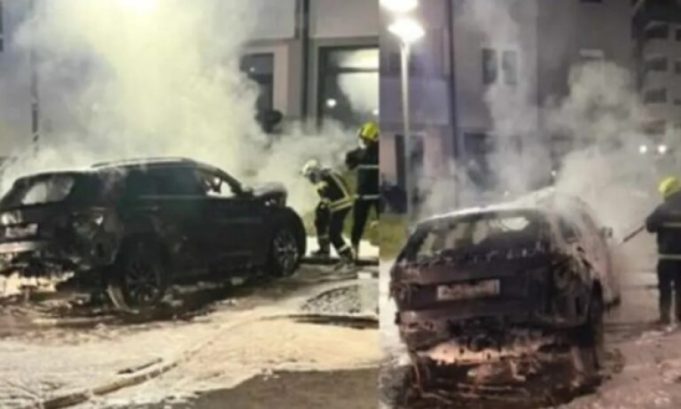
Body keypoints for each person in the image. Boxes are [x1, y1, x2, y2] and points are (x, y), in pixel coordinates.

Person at [301, 159, 354, 266]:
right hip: (335, 205)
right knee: (320, 219)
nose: (310, 180)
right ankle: (324, 249)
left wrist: (327, 200)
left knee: (333, 233)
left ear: (315, 172)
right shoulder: (323, 179)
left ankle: (347, 256)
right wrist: (324, 203)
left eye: (311, 176)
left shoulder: (328, 176)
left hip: (341, 205)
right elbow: (326, 196)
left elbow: (340, 192)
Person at [646, 176, 681, 325]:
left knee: (665, 288)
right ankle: (680, 317)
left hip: (666, 257)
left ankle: (664, 317)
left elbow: (650, 227)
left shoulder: (662, 210)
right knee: (680, 288)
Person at [346, 121, 380, 259]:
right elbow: (350, 164)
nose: (364, 142)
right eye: (363, 139)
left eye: (366, 139)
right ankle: (354, 248)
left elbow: (355, 159)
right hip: (363, 195)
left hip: (376, 195)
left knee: (383, 223)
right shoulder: (360, 153)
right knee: (358, 224)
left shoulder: (369, 153)